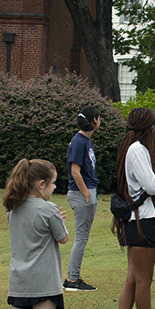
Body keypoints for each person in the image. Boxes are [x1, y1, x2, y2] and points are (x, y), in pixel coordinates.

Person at [0, 158, 77, 309]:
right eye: (53, 183)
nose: (55, 187)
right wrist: (58, 219)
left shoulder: (13, 210)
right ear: (41, 184)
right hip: (44, 279)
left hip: (19, 278)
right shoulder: (49, 209)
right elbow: (63, 238)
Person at [109, 108, 155, 309]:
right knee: (143, 280)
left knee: (133, 279)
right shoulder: (138, 150)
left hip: (140, 219)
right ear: (150, 127)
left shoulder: (136, 148)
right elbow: (152, 186)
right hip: (141, 220)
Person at [64, 106, 100, 291]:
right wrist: (86, 193)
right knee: (81, 238)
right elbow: (75, 171)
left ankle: (73, 276)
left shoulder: (86, 140)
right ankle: (72, 279)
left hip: (86, 192)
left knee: (82, 237)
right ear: (94, 120)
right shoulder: (79, 142)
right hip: (81, 194)